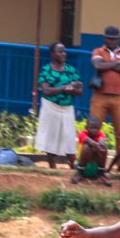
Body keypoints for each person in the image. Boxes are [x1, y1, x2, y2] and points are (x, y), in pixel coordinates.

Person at [35, 41, 83, 170]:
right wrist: (64, 88)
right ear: (52, 54)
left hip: (67, 108)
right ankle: (52, 165)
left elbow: (79, 91)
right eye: (60, 51)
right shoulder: (46, 70)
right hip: (51, 107)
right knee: (51, 136)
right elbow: (46, 90)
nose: (64, 54)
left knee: (69, 136)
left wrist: (72, 89)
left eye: (64, 51)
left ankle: (72, 164)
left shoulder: (71, 70)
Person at [90, 26, 120, 141]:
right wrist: (118, 62)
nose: (112, 41)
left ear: (119, 39)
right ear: (104, 38)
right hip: (100, 95)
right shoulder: (98, 51)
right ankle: (92, 159)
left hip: (119, 97)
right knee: (93, 130)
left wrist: (107, 64)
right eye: (109, 38)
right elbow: (98, 65)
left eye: (114, 39)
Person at [72, 115, 112, 186]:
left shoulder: (101, 134)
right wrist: (98, 145)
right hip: (83, 166)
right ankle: (79, 173)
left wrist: (101, 143)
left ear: (99, 128)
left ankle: (101, 173)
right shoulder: (82, 134)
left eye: (96, 128)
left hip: (95, 167)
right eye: (91, 128)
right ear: (86, 128)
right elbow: (90, 141)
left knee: (103, 148)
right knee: (88, 147)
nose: (94, 130)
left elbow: (102, 140)